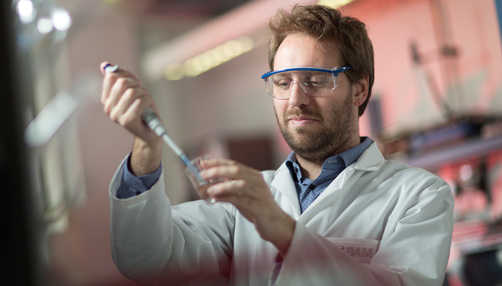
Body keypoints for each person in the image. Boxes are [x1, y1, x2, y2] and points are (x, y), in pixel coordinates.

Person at [100, 4, 454, 286]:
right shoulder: (244, 206)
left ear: (359, 89)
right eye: (283, 82)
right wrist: (146, 147)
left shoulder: (419, 195)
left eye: (315, 80)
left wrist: (283, 230)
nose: (296, 99)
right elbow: (145, 259)